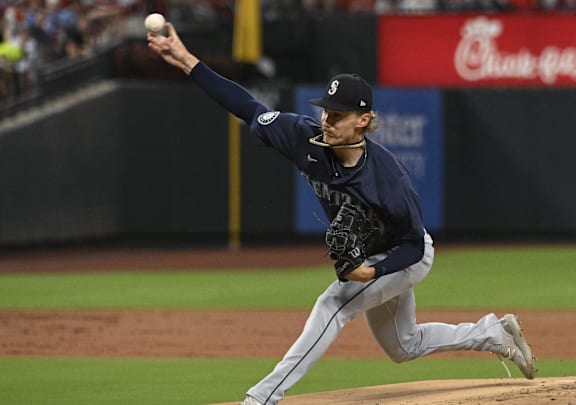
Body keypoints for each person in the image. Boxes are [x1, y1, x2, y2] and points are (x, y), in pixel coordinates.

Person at [147, 22, 536, 405]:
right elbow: (247, 107)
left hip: (404, 254)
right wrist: (187, 61)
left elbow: (415, 246)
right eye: (325, 110)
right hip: (372, 253)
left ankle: (263, 397)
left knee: (334, 304)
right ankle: (492, 333)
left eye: (337, 115)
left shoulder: (389, 179)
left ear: (363, 121)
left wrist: (374, 271)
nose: (326, 120)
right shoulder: (302, 137)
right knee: (405, 345)